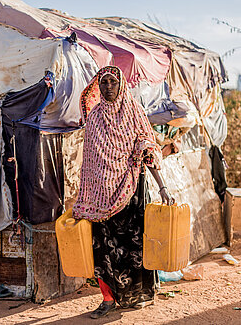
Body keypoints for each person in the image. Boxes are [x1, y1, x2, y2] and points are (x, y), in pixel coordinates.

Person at [73, 66, 175, 319]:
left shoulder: (134, 112)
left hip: (131, 191)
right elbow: (90, 161)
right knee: (102, 249)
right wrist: (87, 195)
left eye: (112, 82)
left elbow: (147, 149)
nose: (108, 87)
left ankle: (139, 295)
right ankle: (107, 299)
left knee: (134, 247)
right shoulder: (95, 116)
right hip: (100, 198)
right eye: (104, 82)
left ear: (121, 85)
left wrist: (162, 186)